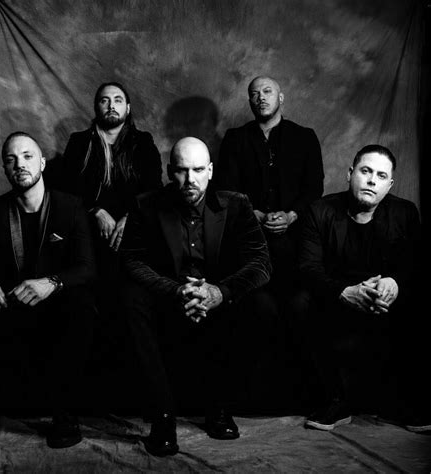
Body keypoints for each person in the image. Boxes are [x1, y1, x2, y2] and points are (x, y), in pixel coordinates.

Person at [119, 137, 274, 456]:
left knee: (262, 305)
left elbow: (261, 262)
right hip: (167, 298)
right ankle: (163, 416)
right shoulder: (146, 205)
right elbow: (132, 261)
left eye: (199, 170)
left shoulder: (237, 204)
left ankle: (219, 407)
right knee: (130, 298)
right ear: (169, 171)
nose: (190, 179)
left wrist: (218, 292)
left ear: (211, 171)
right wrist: (176, 291)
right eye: (182, 170)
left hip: (219, 300)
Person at [0, 132, 97, 449]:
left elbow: (87, 267)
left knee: (81, 302)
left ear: (42, 163)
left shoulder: (70, 206)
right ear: (6, 170)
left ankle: (65, 416)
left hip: (56, 305)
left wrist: (52, 282)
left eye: (27, 156)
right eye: (11, 159)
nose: (19, 164)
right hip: (12, 305)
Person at [297, 144, 424, 431]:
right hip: (336, 299)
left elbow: (415, 264)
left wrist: (394, 282)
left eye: (381, 176)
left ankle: (406, 403)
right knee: (300, 300)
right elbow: (308, 268)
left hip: (385, 300)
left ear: (389, 185)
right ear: (350, 173)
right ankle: (335, 400)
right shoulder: (319, 210)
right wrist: (344, 292)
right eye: (366, 171)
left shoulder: (404, 212)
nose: (372, 181)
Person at [217, 75, 324, 295]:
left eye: (267, 91)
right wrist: (255, 214)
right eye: (254, 94)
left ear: (280, 97)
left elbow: (314, 187)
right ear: (250, 101)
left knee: (297, 298)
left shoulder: (304, 137)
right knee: (254, 299)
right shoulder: (235, 138)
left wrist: (291, 216)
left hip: (295, 235)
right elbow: (226, 187)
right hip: (248, 234)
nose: (261, 98)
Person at [55, 81, 162, 254]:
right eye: (104, 100)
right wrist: (95, 211)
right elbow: (66, 188)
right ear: (96, 108)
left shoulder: (143, 142)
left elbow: (154, 189)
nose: (111, 106)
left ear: (127, 108)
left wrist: (130, 218)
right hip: (87, 231)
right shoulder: (79, 142)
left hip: (134, 231)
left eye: (118, 100)